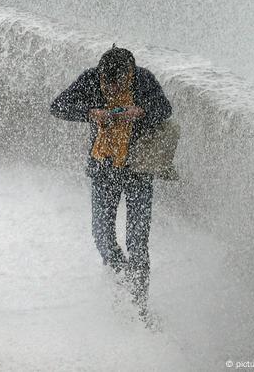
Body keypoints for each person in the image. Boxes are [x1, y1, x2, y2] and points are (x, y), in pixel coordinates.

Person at [50, 46, 172, 321]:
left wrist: (140, 111)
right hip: (104, 169)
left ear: (129, 73)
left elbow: (165, 109)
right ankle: (122, 285)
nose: (113, 86)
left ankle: (139, 306)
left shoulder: (143, 80)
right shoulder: (92, 78)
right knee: (102, 236)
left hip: (138, 169)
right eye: (108, 81)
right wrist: (91, 113)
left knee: (137, 241)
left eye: (119, 81)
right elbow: (57, 106)